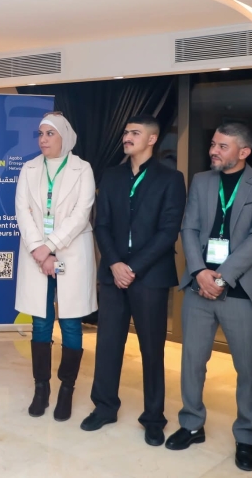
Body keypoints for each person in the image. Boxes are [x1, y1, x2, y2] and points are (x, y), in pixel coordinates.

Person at [165, 123, 252, 473]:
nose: (213, 150)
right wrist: (200, 271)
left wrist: (223, 276)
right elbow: (189, 227)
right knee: (192, 361)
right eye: (213, 144)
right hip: (199, 286)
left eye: (222, 146)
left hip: (241, 289)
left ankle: (246, 436)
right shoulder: (202, 180)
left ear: (244, 152)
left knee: (248, 367)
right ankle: (191, 424)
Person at [81, 115, 186, 446]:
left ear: (152, 139)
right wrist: (115, 264)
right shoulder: (111, 175)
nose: (127, 137)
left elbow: (168, 231)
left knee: (151, 349)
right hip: (114, 275)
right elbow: (101, 224)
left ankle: (153, 417)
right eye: (126, 132)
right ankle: (104, 407)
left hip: (150, 277)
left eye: (134, 133)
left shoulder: (171, 179)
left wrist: (132, 268)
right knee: (108, 344)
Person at [14, 111, 96, 422]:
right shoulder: (29, 168)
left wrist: (49, 247)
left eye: (50, 134)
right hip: (37, 255)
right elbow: (23, 211)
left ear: (65, 137)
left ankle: (66, 389)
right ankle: (41, 388)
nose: (43, 139)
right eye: (40, 134)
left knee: (71, 322)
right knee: (41, 322)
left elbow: (81, 214)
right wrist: (41, 250)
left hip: (70, 253)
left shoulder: (82, 168)